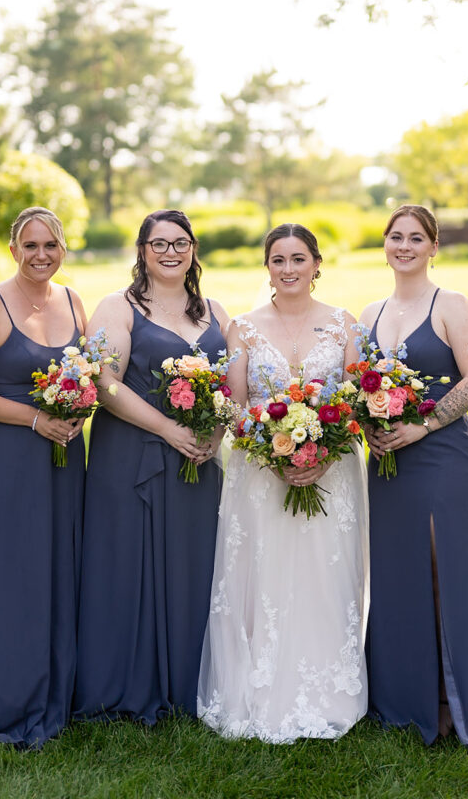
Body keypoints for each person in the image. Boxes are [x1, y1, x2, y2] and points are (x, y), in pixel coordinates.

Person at [198, 224, 369, 742]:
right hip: (261, 470)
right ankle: (260, 679)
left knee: (324, 571)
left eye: (299, 259)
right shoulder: (244, 328)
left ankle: (330, 685)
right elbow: (234, 404)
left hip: (333, 470)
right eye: (278, 260)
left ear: (317, 263)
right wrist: (273, 454)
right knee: (266, 571)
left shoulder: (345, 325)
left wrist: (325, 450)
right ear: (267, 266)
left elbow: (357, 400)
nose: (289, 269)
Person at [73, 210, 229, 725]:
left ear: (193, 247)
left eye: (179, 242)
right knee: (129, 563)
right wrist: (167, 429)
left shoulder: (214, 310)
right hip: (131, 456)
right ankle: (128, 683)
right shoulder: (117, 307)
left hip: (197, 459)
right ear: (141, 250)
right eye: (158, 243)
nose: (169, 252)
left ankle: (190, 682)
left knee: (193, 563)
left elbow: (233, 385)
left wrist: (215, 431)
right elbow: (105, 383)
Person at [0, 206, 88, 747]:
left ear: (63, 249)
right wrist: (35, 418)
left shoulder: (75, 301)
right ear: (13, 251)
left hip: (65, 457)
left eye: (50, 244)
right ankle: (7, 695)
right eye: (30, 246)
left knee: (60, 567)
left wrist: (79, 409)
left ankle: (59, 687)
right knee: (14, 574)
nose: (41, 255)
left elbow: (92, 374)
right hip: (9, 456)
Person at [360, 204, 468, 750]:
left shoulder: (453, 306)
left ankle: (448, 700)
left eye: (417, 238)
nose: (405, 246)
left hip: (441, 457)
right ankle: (399, 698)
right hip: (387, 461)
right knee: (395, 575)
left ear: (434, 247)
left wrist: (421, 426)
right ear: (385, 244)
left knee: (443, 570)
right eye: (396, 237)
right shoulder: (370, 311)